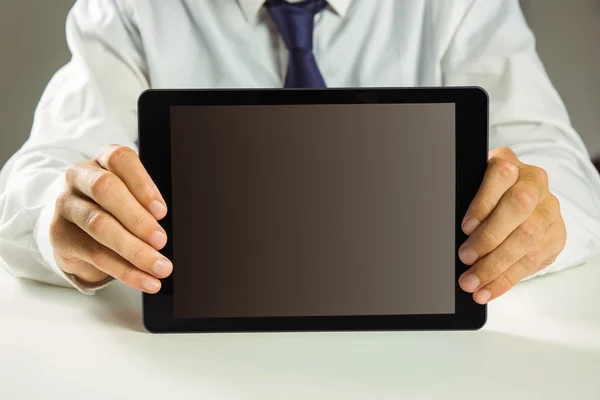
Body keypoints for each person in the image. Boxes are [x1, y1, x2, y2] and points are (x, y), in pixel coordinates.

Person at [1, 0, 599, 305]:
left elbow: (559, 166)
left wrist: (539, 218)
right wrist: (65, 221)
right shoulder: (130, 8)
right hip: (200, 350)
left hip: (416, 335)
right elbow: (37, 177)